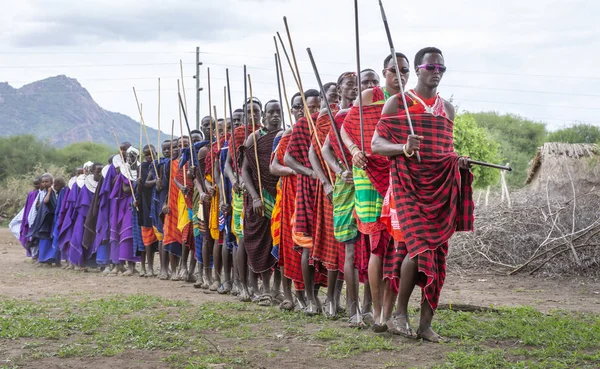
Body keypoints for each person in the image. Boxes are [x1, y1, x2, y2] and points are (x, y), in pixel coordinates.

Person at [372, 47, 473, 342]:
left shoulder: (448, 109)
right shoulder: (397, 104)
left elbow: (445, 151)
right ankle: (400, 314)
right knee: (418, 249)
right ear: (417, 69)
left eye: (441, 67)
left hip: (439, 190)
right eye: (431, 66)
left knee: (437, 253)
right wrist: (403, 147)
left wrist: (458, 162)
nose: (436, 71)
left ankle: (425, 325)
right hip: (407, 187)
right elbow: (377, 145)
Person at [340, 52, 410, 331]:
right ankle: (378, 313)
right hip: (367, 175)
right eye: (395, 70)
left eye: (405, 71)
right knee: (376, 244)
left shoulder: (411, 101)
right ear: (385, 72)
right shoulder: (370, 96)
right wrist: (355, 150)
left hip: (398, 175)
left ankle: (389, 314)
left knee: (398, 243)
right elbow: (346, 129)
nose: (400, 75)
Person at [307, 79, 346, 318]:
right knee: (334, 245)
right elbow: (314, 153)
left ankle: (339, 298)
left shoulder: (352, 113)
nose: (333, 100)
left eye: (335, 95)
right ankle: (329, 298)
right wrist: (325, 182)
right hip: (331, 189)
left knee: (348, 246)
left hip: (354, 184)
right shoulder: (323, 119)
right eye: (329, 96)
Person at [284, 90, 325, 315]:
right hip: (307, 190)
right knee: (307, 244)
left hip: (327, 190)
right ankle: (310, 298)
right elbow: (288, 159)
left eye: (319, 107)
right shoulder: (301, 126)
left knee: (325, 244)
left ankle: (322, 295)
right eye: (312, 107)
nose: (316, 111)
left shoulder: (328, 123)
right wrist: (309, 173)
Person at [242, 99, 282, 306]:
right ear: (264, 116)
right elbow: (244, 171)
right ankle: (264, 290)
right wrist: (255, 197)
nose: (275, 116)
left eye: (278, 112)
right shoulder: (255, 138)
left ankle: (277, 290)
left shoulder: (286, 135)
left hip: (281, 197)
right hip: (260, 199)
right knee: (262, 244)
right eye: (271, 112)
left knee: (279, 243)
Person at [138, 145, 159, 277]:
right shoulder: (142, 168)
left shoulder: (159, 165)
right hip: (145, 205)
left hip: (157, 203)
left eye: (151, 154)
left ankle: (162, 267)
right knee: (146, 238)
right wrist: (139, 183)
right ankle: (147, 267)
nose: (149, 157)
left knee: (159, 236)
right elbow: (140, 188)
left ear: (156, 153)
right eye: (146, 155)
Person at [28, 173, 57, 266]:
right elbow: (39, 205)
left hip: (49, 220)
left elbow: (46, 202)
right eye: (43, 182)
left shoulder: (51, 192)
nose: (45, 183)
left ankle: (47, 259)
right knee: (43, 239)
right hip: (44, 220)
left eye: (47, 181)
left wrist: (49, 192)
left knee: (46, 239)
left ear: (51, 182)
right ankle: (43, 259)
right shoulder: (42, 192)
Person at [18, 177, 41, 258]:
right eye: (34, 184)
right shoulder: (31, 193)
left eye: (37, 183)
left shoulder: (40, 193)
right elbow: (28, 207)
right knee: (30, 237)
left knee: (35, 237)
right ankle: (33, 255)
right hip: (29, 217)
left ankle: (37, 255)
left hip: (37, 218)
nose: (36, 185)